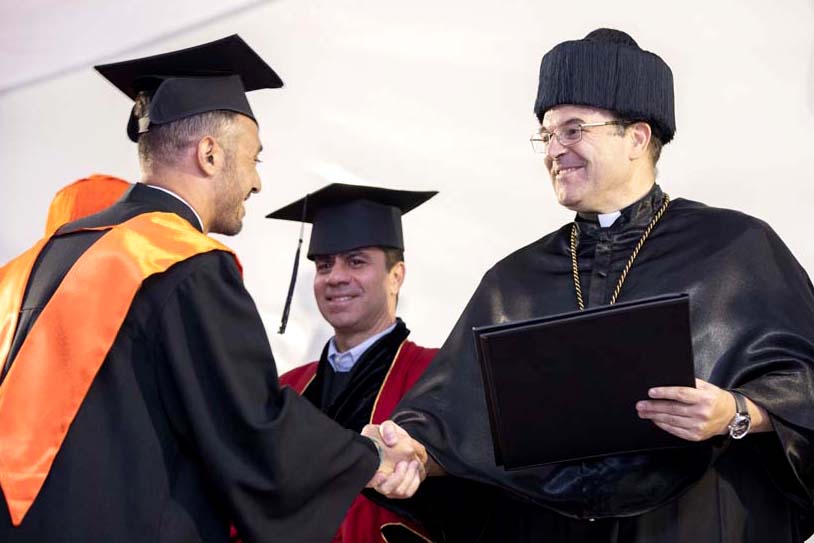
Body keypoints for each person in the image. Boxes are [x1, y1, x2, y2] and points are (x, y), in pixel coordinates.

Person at [372, 28, 814, 541]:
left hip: (691, 523)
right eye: (546, 133)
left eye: (574, 129)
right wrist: (416, 454)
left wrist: (737, 413)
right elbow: (451, 425)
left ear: (637, 137)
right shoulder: (513, 281)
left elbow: (804, 385)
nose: (554, 150)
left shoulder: (736, 249)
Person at [0, 35, 423, 543]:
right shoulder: (180, 262)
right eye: (254, 159)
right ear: (210, 154)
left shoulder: (41, 259)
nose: (257, 183)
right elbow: (250, 426)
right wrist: (369, 455)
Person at [267, 183, 439, 542]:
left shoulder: (437, 377)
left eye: (356, 261)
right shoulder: (285, 388)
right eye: (324, 265)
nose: (335, 277)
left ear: (397, 276)